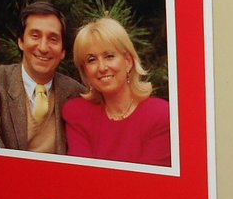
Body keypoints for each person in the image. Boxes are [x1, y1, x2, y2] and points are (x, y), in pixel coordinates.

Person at [63, 16, 171, 166]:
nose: (102, 67)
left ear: (128, 62)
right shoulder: (78, 113)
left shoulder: (160, 114)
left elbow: (149, 179)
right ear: (85, 71)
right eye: (92, 60)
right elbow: (82, 175)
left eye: (109, 56)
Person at [0, 1, 85, 154]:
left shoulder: (77, 94)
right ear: (21, 41)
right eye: (35, 36)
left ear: (63, 51)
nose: (43, 47)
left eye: (53, 39)